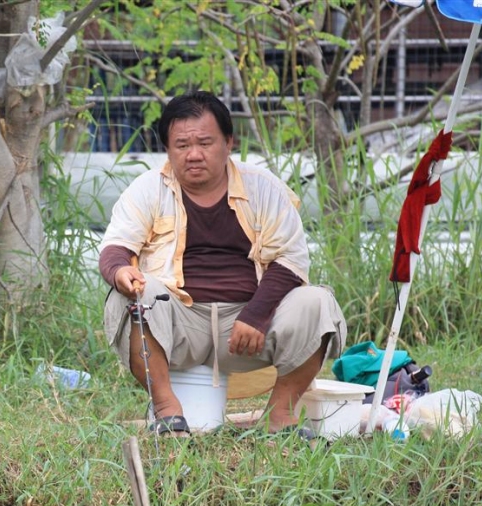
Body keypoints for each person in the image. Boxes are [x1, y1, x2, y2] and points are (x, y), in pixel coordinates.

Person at [99, 91, 347, 437]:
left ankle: (280, 416)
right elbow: (115, 247)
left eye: (205, 142)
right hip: (178, 321)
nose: (194, 154)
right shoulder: (147, 189)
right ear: (168, 150)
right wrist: (121, 271)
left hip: (249, 325)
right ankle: (168, 410)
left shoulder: (264, 189)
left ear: (228, 142)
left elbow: (290, 260)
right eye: (182, 145)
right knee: (135, 294)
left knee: (318, 302)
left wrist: (256, 313)